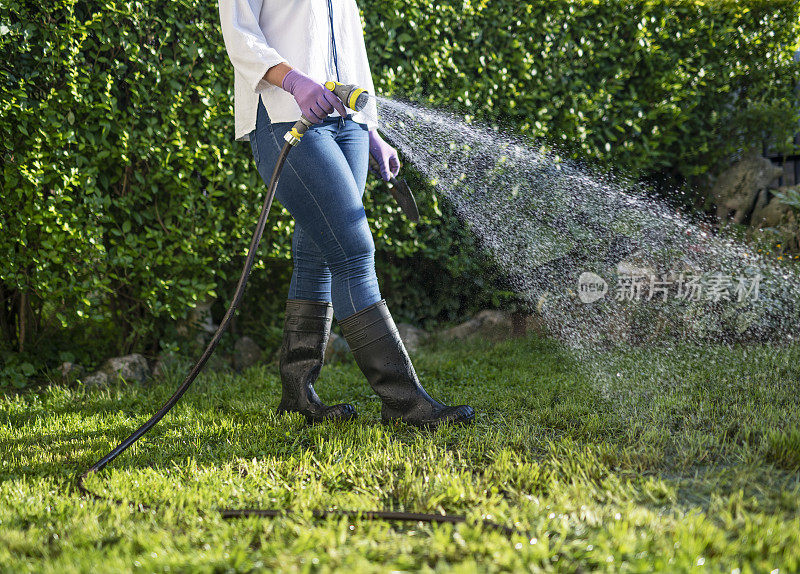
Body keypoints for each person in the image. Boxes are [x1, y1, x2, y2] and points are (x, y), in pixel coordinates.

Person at [218, 0, 474, 428]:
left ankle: (298, 394)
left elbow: (350, 43)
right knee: (353, 251)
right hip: (286, 114)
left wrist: (372, 130)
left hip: (347, 121)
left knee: (319, 251)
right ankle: (404, 403)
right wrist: (295, 81)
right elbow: (240, 34)